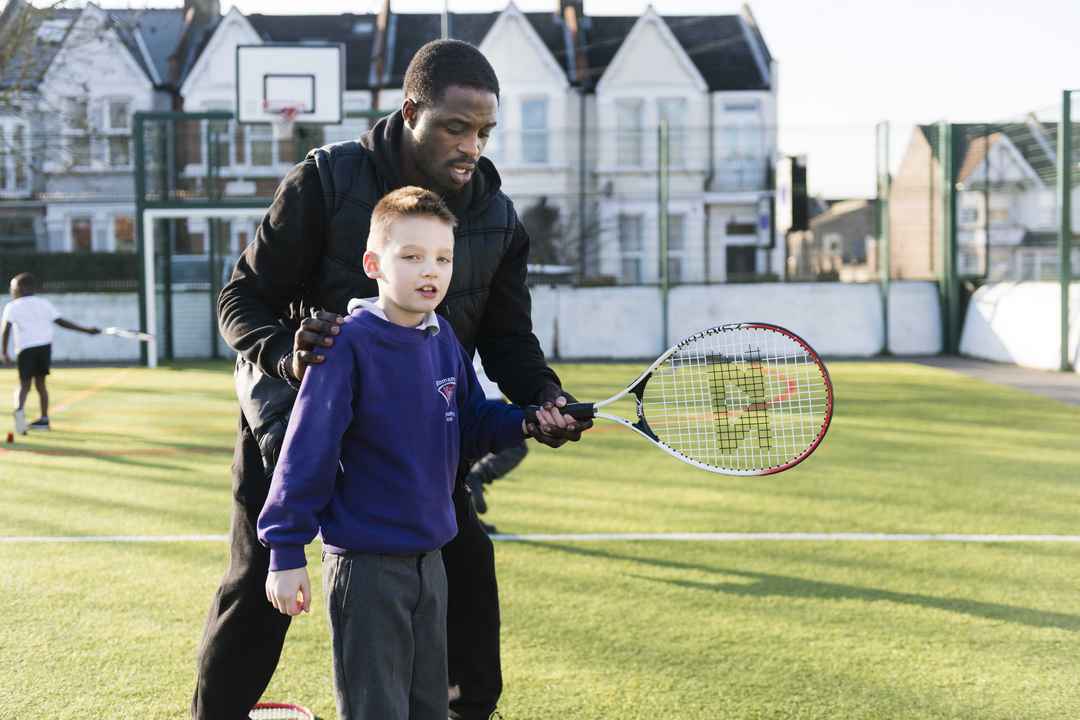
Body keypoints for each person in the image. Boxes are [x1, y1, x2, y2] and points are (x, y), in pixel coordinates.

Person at [193, 39, 591, 720]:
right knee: (258, 584)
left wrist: (542, 399)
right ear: (412, 112)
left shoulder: (496, 217)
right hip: (295, 420)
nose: (473, 146)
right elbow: (240, 299)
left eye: (484, 132)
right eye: (457, 127)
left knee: (467, 574)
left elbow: (506, 338)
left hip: (412, 437)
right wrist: (287, 351)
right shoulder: (327, 181)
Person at [259, 187, 559, 720]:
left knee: (429, 709)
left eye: (443, 258)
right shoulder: (344, 345)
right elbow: (307, 451)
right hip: (367, 568)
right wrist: (285, 552)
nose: (431, 270)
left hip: (431, 563)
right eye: (413, 256)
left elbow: (473, 424)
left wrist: (529, 420)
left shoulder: (442, 336)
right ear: (374, 264)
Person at [1, 272, 100, 434]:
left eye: (13, 287)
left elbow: (6, 330)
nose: (11, 291)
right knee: (41, 384)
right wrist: (86, 330)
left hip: (25, 349)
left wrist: (4, 352)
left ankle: (19, 413)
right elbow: (61, 322)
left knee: (24, 384)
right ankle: (44, 420)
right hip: (43, 348)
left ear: (21, 288)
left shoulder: (12, 306)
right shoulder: (44, 303)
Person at [466, 356, 529, 528]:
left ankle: (469, 522)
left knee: (465, 462)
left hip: (478, 390)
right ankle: (477, 476)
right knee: (515, 446)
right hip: (486, 393)